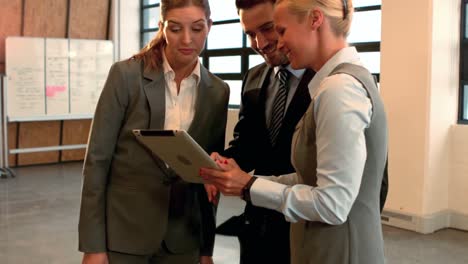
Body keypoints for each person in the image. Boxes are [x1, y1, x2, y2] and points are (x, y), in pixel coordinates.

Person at [201, 0, 388, 263]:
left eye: (280, 30)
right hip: (289, 234)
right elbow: (307, 176)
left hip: (333, 245)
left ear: (314, 20)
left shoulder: (338, 90)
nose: (274, 42)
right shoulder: (344, 81)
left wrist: (249, 185)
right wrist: (243, 181)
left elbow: (337, 202)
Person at [78, 0, 229, 263]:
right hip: (124, 234)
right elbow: (97, 162)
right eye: (175, 28)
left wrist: (206, 249)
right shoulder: (125, 76)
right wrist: (93, 246)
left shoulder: (218, 91)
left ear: (209, 27)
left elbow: (208, 177)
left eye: (196, 28)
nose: (186, 39)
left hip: (184, 238)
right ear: (161, 27)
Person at [212, 0, 314, 263]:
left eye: (268, 28)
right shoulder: (254, 78)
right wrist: (225, 162)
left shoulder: (331, 82)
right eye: (249, 34)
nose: (259, 43)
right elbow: (246, 146)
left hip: (307, 229)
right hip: (257, 228)